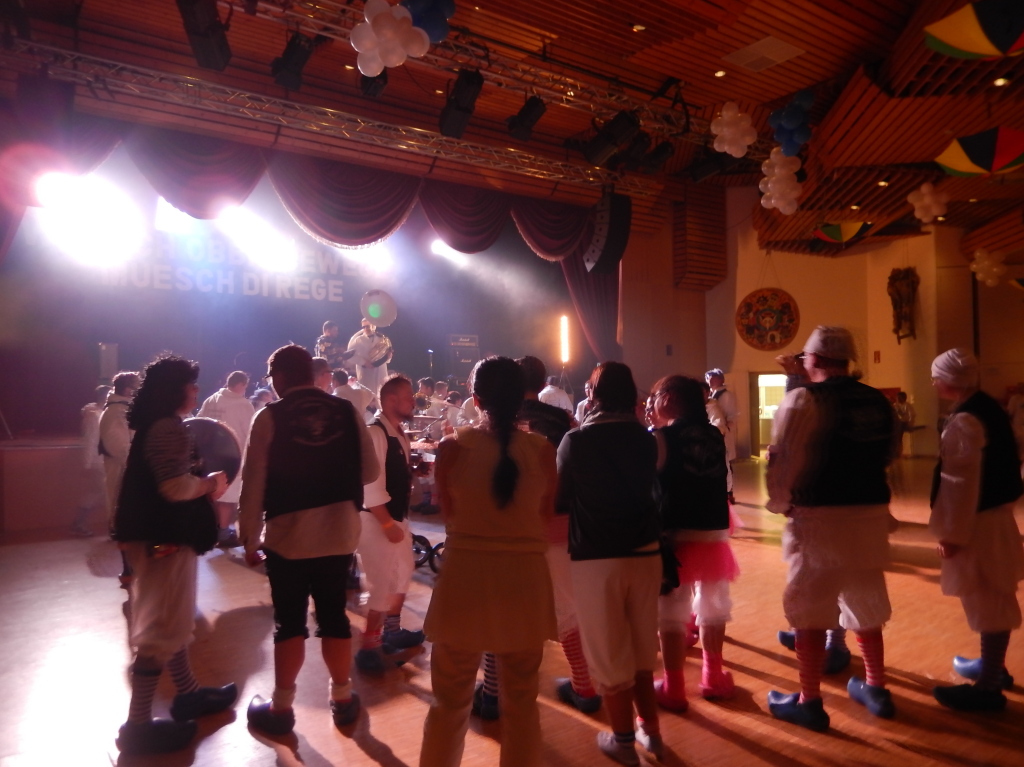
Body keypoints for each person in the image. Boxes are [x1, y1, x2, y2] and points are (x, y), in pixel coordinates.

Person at [419, 357, 557, 767]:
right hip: (524, 581)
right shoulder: (542, 451)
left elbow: (447, 515)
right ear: (522, 399)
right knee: (522, 704)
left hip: (465, 579)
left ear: (475, 399)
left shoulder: (451, 448)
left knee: (449, 702)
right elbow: (544, 519)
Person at [239, 344, 379, 736]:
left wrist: (249, 537)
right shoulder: (346, 411)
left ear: (281, 378)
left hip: (288, 537)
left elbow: (253, 484)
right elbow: (369, 471)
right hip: (339, 533)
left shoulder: (268, 416)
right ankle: (343, 698)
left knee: (289, 623)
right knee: (334, 617)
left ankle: (281, 709)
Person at [765, 326, 898, 732]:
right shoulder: (879, 401)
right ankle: (875, 685)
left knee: (809, 607)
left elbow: (783, 460)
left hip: (820, 519)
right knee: (866, 598)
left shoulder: (803, 400)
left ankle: (809, 700)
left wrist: (782, 503)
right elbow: (890, 453)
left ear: (816, 360)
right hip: (870, 515)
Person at [112, 355, 235, 755]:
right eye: (191, 384)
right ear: (174, 389)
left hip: (158, 541)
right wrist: (209, 483)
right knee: (160, 631)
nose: (196, 391)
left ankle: (189, 695)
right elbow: (173, 487)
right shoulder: (167, 428)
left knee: (173, 621)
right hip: (163, 541)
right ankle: (138, 725)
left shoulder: (157, 424)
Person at [472, 355, 599, 721]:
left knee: (498, 612)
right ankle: (584, 687)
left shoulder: (487, 432)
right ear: (541, 381)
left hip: (509, 533)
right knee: (567, 610)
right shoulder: (564, 421)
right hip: (560, 527)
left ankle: (492, 694)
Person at [557, 361, 663, 765]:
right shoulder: (645, 438)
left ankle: (622, 741)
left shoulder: (576, 440)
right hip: (646, 551)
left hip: (597, 555)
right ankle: (650, 734)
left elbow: (561, 496)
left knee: (606, 650)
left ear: (593, 395)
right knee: (639, 649)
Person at [929, 349, 1024, 711]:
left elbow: (960, 484)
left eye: (936, 377)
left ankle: (988, 687)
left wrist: (951, 535)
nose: (934, 383)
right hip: (993, 519)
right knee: (993, 594)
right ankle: (992, 667)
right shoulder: (990, 409)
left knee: (989, 598)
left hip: (977, 524)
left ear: (949, 381)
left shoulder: (965, 421)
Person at [648, 375, 739, 711]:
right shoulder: (714, 434)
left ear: (669, 398)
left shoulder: (661, 436)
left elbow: (650, 484)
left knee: (671, 612)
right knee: (714, 605)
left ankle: (673, 686)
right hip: (714, 529)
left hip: (675, 532)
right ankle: (713, 677)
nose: (651, 402)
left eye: (655, 395)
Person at [355, 374, 425, 675]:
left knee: (402, 573)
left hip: (396, 516)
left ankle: (391, 631)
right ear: (391, 400)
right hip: (376, 521)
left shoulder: (398, 432)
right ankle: (369, 646)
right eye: (408, 396)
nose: (414, 400)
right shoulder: (375, 433)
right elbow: (369, 484)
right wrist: (386, 524)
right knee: (380, 583)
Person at [197, 370, 255, 547]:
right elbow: (251, 431)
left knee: (214, 491)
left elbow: (199, 421)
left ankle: (215, 529)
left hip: (210, 454)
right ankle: (222, 533)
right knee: (228, 496)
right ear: (242, 384)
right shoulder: (243, 404)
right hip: (233, 454)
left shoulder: (212, 399)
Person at [101, 371, 140, 586]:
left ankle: (132, 569)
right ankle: (128, 570)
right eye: (137, 386)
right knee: (125, 521)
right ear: (127, 390)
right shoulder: (116, 412)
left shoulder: (124, 410)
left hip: (128, 474)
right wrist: (137, 465)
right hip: (123, 475)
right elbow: (118, 446)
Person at [71, 385, 111, 537]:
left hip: (103, 460)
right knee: (103, 493)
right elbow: (90, 440)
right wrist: (87, 464)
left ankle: (78, 523)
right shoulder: (94, 416)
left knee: (98, 492)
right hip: (98, 461)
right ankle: (79, 523)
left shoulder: (102, 413)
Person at [705, 368, 738, 503]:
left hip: (723, 432)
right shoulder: (711, 396)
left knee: (727, 462)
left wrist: (725, 428)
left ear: (721, 379)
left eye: (713, 378)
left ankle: (729, 492)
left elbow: (732, 415)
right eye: (708, 378)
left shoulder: (726, 395)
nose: (710, 381)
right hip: (713, 432)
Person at [347, 318, 392, 408]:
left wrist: (388, 356)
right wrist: (363, 362)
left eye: (367, 326)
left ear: (374, 326)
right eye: (363, 327)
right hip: (365, 373)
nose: (365, 329)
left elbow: (387, 357)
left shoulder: (382, 338)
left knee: (382, 398)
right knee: (366, 399)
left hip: (380, 372)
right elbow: (349, 356)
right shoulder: (357, 340)